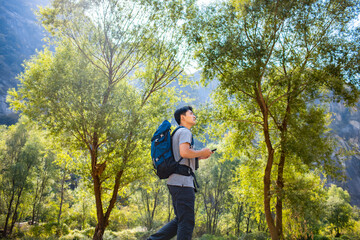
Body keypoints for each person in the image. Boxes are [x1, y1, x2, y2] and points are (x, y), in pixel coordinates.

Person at [147, 106, 213, 240]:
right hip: (182, 183)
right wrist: (202, 151)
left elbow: (181, 156)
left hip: (176, 181)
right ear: (183, 117)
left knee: (180, 220)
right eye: (191, 113)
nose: (194, 116)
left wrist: (200, 156)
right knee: (187, 222)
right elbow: (184, 152)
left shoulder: (177, 133)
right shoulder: (185, 132)